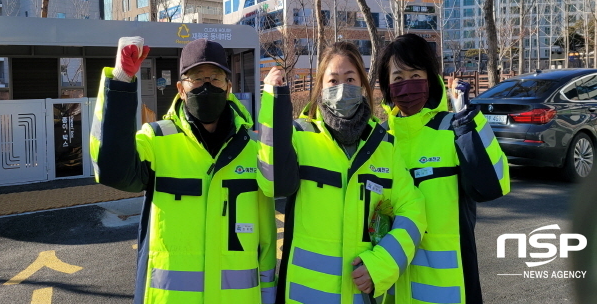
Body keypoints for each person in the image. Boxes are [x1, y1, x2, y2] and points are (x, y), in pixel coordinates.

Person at [90, 37, 277, 304]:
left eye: (215, 78)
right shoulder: (157, 141)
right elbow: (111, 168)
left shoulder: (255, 149)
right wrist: (121, 82)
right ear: (180, 88)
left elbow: (268, 240)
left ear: (228, 88)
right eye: (197, 78)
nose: (207, 85)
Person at [258, 42, 426, 304]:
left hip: (361, 296)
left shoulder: (384, 147)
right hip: (304, 296)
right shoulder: (300, 138)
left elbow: (413, 210)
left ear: (362, 86)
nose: (341, 88)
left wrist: (381, 264)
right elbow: (273, 183)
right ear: (321, 88)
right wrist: (272, 100)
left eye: (349, 79)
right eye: (333, 80)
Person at [377, 33, 510, 303]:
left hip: (449, 290)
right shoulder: (378, 140)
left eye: (416, 76)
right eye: (398, 78)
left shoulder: (453, 127)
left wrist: (467, 122)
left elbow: (494, 184)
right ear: (387, 85)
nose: (407, 85)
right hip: (389, 287)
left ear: (430, 78)